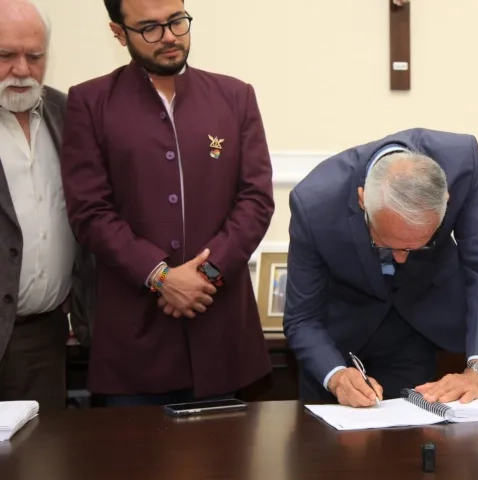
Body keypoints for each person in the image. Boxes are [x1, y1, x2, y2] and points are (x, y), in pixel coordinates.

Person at [60, 0, 274, 406]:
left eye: (177, 21)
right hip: (135, 341)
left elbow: (256, 200)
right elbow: (90, 212)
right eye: (150, 28)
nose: (171, 37)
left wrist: (204, 275)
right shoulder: (90, 102)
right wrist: (161, 276)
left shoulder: (234, 96)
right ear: (119, 32)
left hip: (221, 334)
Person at [284, 128, 478, 407]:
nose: (401, 259)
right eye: (387, 245)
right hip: (337, 340)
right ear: (362, 200)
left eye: (417, 246)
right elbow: (302, 317)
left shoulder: (461, 164)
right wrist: (336, 375)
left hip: (417, 329)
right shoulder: (314, 203)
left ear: (446, 201)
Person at [0, 0, 92, 410]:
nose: (22, 69)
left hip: (41, 337)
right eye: (5, 55)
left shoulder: (69, 113)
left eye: (34, 56)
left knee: (39, 460)